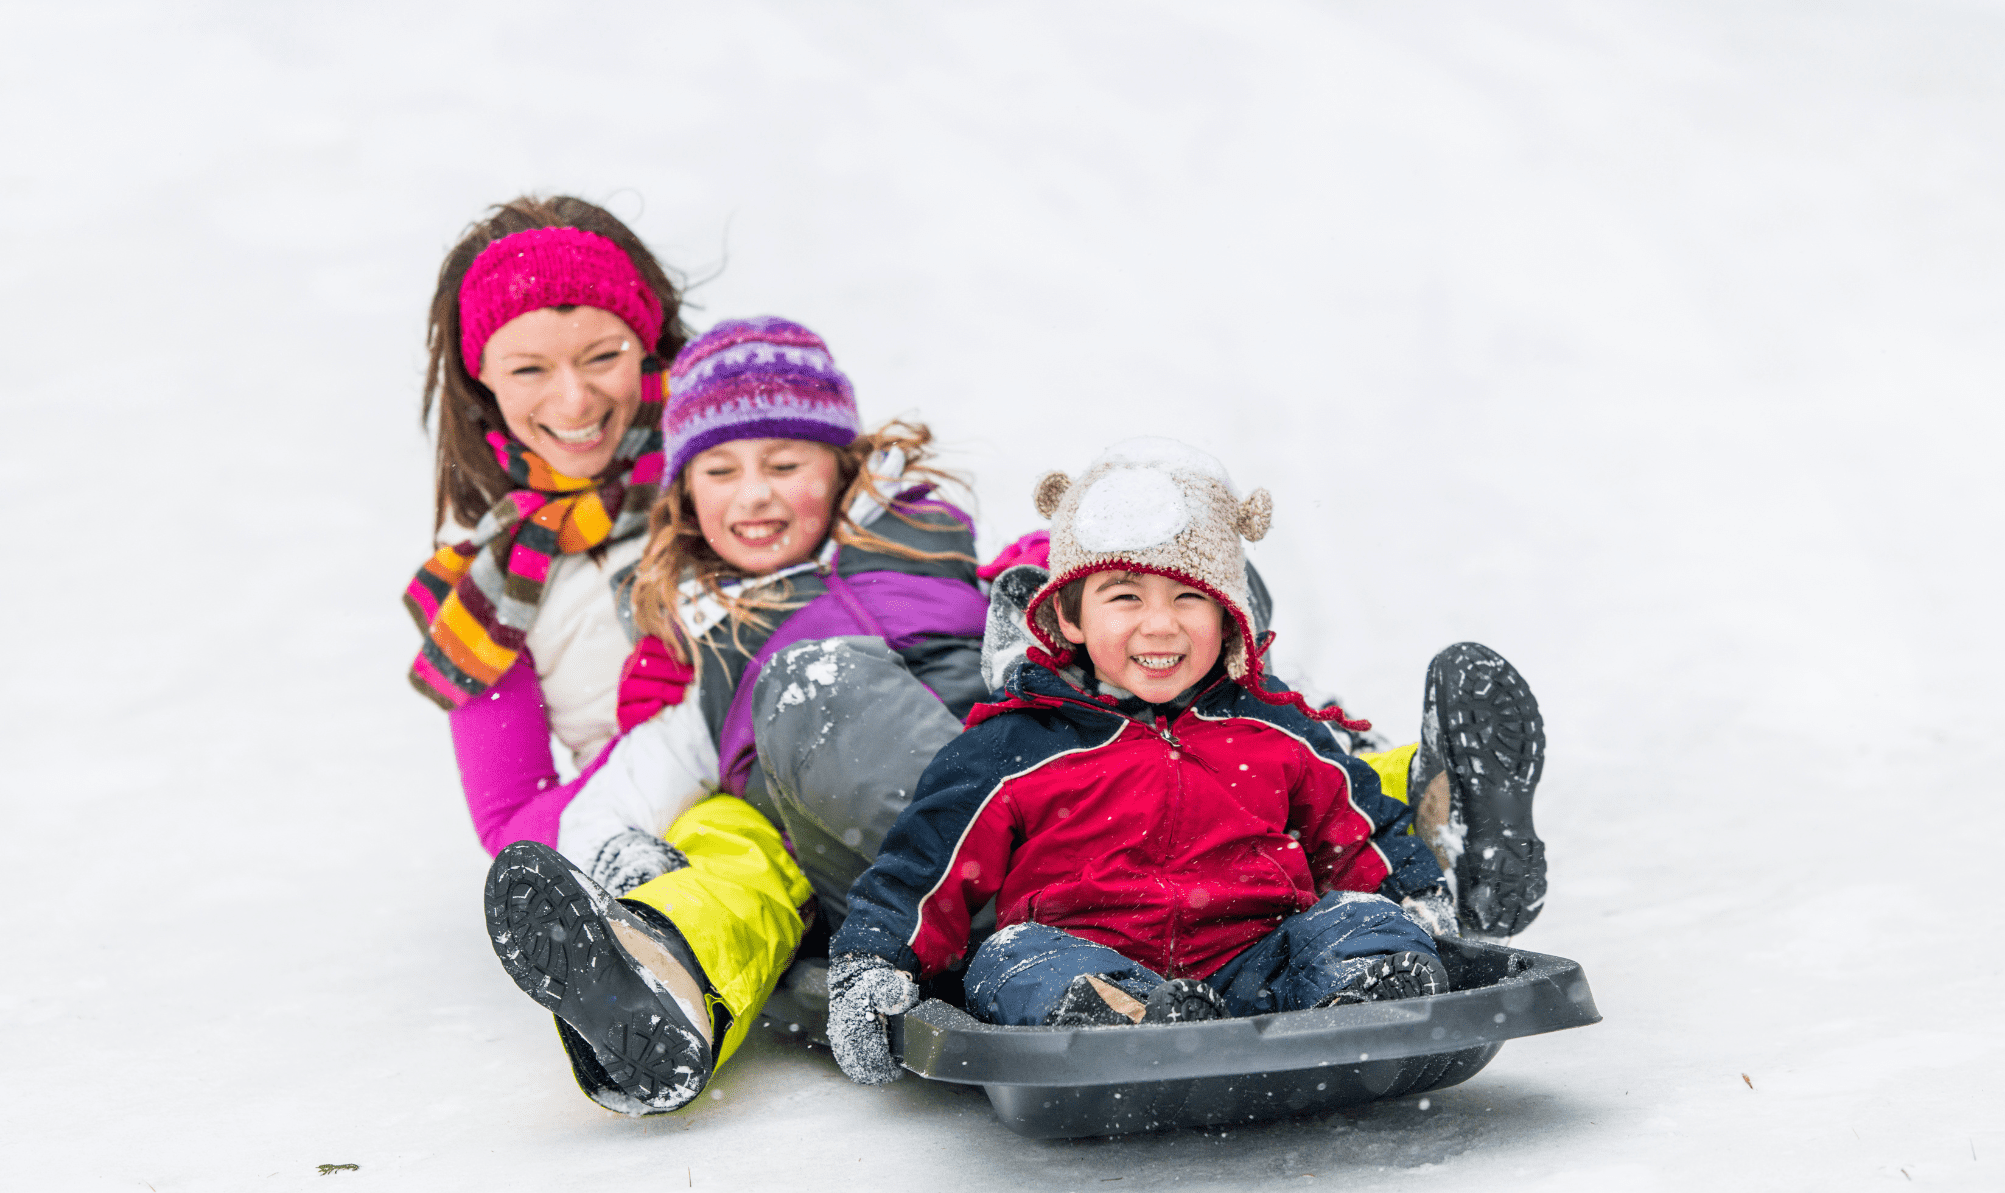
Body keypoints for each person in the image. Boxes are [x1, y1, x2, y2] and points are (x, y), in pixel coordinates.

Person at [824, 440, 1513, 1085]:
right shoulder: (1013, 746)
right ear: (1068, 617)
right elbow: (922, 871)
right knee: (1008, 961)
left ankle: (1365, 1000)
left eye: (1190, 597)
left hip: (1260, 961)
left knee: (1358, 921)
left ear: (1228, 616)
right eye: (1124, 596)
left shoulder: (1274, 730)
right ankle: (1129, 1024)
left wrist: (1418, 905)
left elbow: (1360, 834)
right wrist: (873, 968)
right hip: (1086, 959)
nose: (1160, 625)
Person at [479, 318, 988, 1112]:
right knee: (737, 834)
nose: (754, 493)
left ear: (843, 466)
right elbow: (622, 788)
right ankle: (656, 980)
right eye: (719, 470)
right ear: (684, 495)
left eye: (785, 464)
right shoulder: (709, 653)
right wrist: (619, 858)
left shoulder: (930, 548)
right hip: (872, 875)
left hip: (1016, 803)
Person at [404, 195, 690, 854]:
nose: (574, 399)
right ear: (483, 381)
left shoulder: (740, 476)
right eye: (529, 369)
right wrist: (665, 774)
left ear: (647, 343)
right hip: (679, 852)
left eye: (601, 357)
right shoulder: (491, 591)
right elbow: (513, 828)